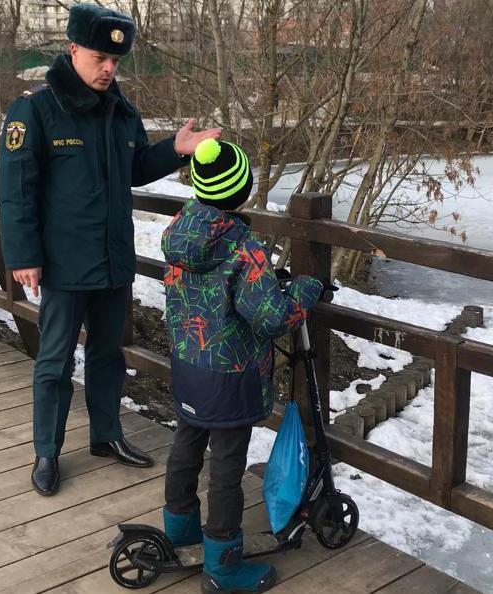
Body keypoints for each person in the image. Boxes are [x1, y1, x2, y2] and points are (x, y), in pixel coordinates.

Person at [0, 4, 220, 496]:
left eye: (116, 62)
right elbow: (15, 189)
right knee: (54, 361)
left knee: (107, 356)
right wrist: (22, 255)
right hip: (62, 262)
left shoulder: (121, 111)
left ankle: (107, 436)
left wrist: (175, 149)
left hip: (113, 260)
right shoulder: (36, 108)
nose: (108, 69)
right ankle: (46, 453)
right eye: (100, 58)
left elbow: (135, 167)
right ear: (73, 49)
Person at [160, 138, 323, 593]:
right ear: (243, 189)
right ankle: (223, 564)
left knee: (187, 442)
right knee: (228, 466)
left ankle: (179, 531)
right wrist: (306, 290)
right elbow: (272, 318)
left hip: (188, 363)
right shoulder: (243, 249)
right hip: (231, 375)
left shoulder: (179, 231)